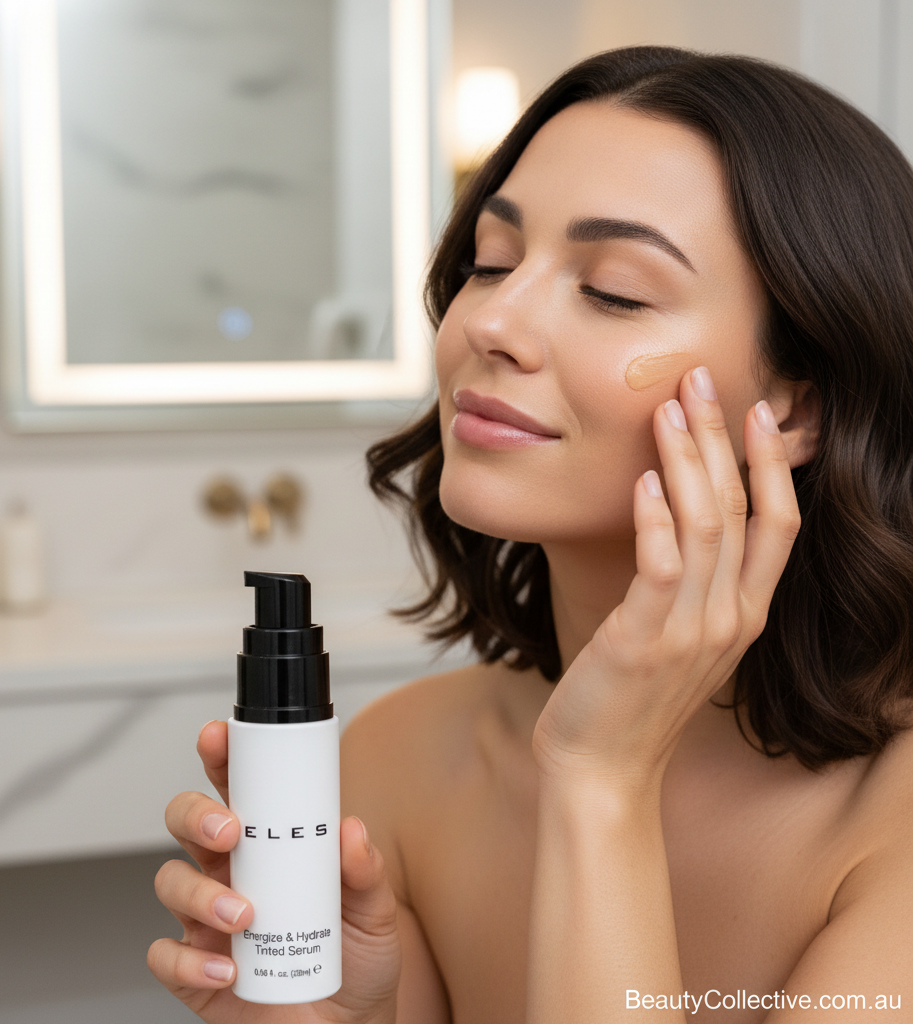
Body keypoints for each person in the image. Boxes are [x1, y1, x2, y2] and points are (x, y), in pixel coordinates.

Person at [146, 46, 913, 1022]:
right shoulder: (404, 761)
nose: (492, 321)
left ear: (797, 404)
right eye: (490, 262)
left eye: (614, 290)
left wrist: (600, 781)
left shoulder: (893, 822)